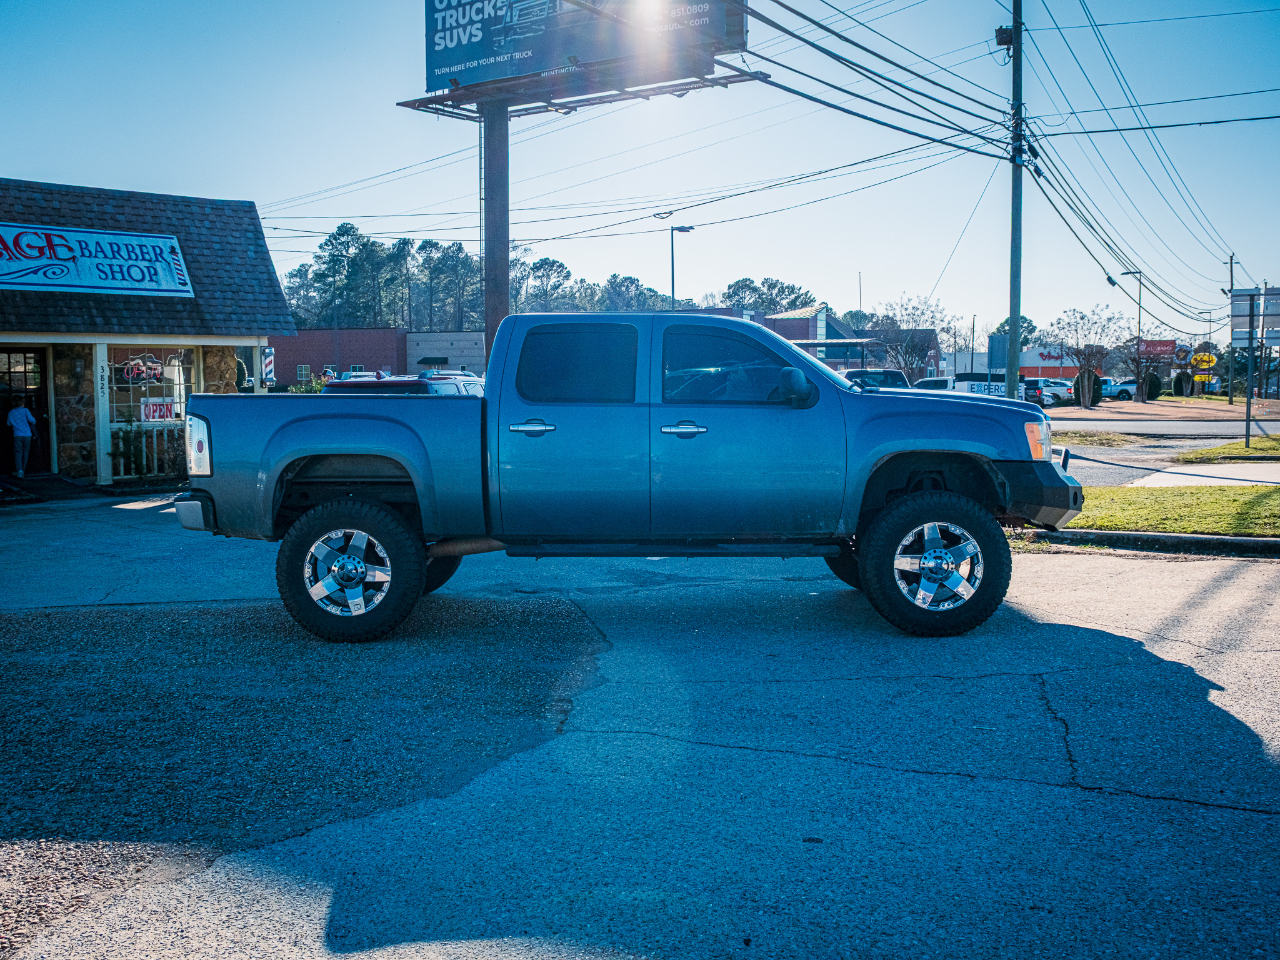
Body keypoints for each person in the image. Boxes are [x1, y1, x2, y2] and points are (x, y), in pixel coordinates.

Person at [8, 395, 36, 478]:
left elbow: (8, 424)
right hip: (27, 434)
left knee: (18, 453)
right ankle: (22, 470)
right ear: (22, 403)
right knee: (25, 452)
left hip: (17, 435)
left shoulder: (11, 412)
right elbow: (32, 421)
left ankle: (19, 471)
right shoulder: (25, 410)